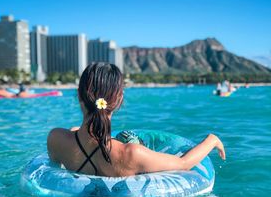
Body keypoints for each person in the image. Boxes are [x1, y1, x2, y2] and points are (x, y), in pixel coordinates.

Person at [47, 63, 226, 177]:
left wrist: (76, 133)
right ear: (118, 100)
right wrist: (212, 140)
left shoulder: (56, 139)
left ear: (79, 95)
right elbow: (184, 164)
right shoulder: (131, 153)